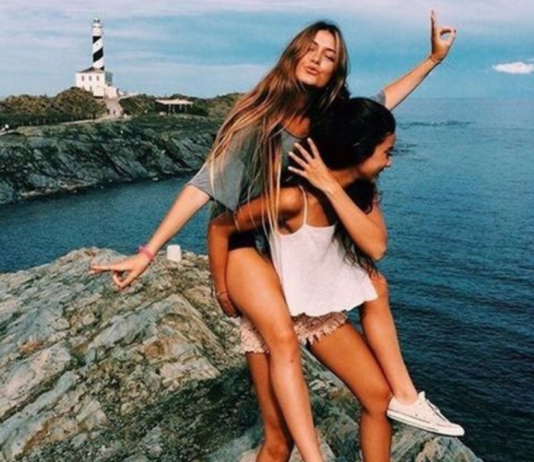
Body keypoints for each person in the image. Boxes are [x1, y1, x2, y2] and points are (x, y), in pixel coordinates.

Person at [89, 12, 457, 462]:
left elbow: (380, 105)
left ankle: (404, 397)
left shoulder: (327, 119)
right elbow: (203, 186)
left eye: (329, 56)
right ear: (294, 53)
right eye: (311, 49)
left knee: (375, 287)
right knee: (281, 349)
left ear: (335, 71)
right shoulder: (258, 120)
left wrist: (432, 60)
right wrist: (148, 253)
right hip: (240, 242)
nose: (317, 59)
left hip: (279, 243)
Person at [208, 98, 463, 462]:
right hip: (274, 316)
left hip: (317, 314)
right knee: (279, 442)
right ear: (359, 149)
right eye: (386, 152)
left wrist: (330, 186)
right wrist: (222, 289)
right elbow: (220, 227)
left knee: (378, 399)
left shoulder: (360, 194)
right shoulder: (291, 199)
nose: (390, 162)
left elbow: (376, 247)